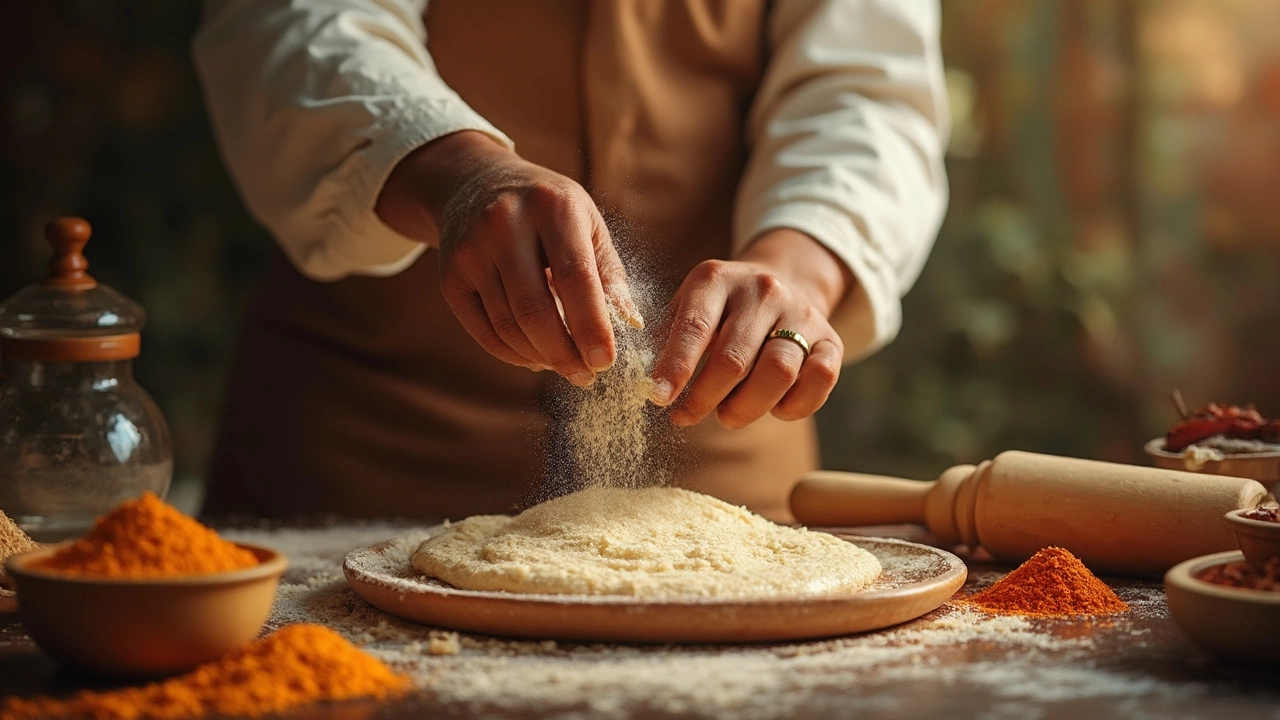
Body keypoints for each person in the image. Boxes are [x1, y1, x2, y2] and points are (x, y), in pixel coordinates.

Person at [192, 0, 949, 522]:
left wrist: (798, 264)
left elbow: (867, 87)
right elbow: (297, 21)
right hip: (359, 462)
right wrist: (456, 174)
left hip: (723, 451)